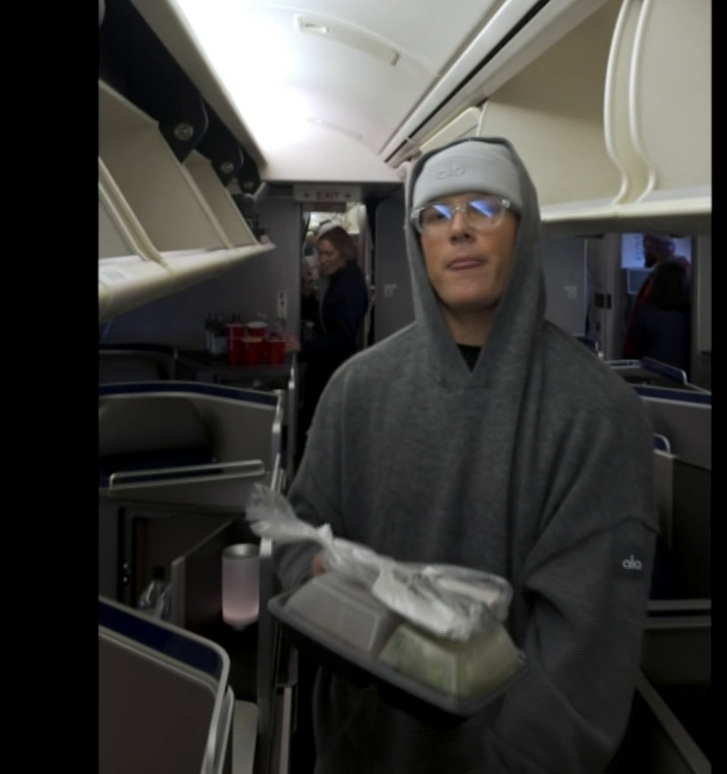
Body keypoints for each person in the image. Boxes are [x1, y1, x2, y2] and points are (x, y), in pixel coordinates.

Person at [273, 137, 656, 772]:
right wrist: (314, 572)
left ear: (523, 229)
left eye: (484, 206)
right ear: (418, 238)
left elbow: (585, 654)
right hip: (360, 750)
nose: (459, 229)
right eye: (437, 214)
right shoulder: (356, 391)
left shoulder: (598, 414)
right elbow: (296, 532)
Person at [286, 225, 368, 473]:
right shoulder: (339, 279)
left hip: (335, 369)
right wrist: (307, 297)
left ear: (344, 253)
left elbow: (342, 341)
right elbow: (326, 317)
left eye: (328, 254)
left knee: (317, 427)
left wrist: (303, 347)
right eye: (320, 253)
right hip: (327, 366)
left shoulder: (349, 286)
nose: (322, 259)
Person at [623, 234, 692, 371]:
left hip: (654, 369)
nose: (644, 250)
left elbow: (636, 345)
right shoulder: (689, 314)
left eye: (646, 245)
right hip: (682, 372)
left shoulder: (648, 311)